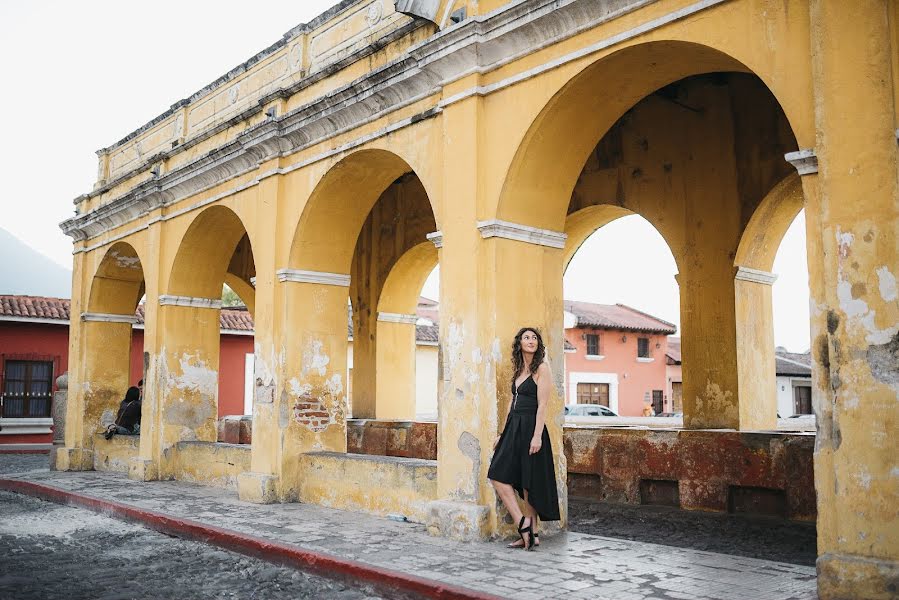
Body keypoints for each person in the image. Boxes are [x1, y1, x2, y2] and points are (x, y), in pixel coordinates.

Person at [488, 327, 561, 550]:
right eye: (526, 337)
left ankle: (532, 533)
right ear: (519, 343)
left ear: (538, 344)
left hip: (531, 427)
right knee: (497, 475)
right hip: (514, 427)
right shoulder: (519, 370)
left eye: (535, 338)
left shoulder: (542, 368)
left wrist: (537, 436)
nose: (531, 340)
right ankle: (524, 525)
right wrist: (502, 433)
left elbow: (543, 406)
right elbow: (512, 403)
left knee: (530, 482)